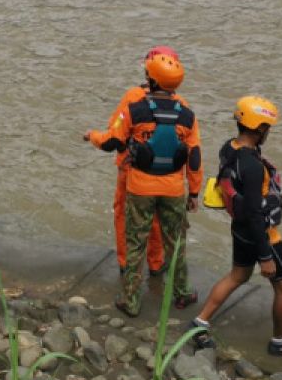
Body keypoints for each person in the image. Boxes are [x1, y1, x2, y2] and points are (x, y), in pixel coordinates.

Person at [191, 96, 282, 357]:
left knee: (238, 275)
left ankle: (200, 323)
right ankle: (281, 343)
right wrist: (266, 257)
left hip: (239, 229)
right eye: (267, 127)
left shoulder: (229, 148)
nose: (269, 132)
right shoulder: (252, 167)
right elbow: (256, 213)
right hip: (262, 235)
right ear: (259, 128)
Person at [84, 52, 202, 316]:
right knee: (177, 243)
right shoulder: (188, 115)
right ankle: (182, 293)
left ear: (151, 77)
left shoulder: (134, 107)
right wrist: (194, 191)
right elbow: (194, 157)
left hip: (139, 186)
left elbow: (112, 141)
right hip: (173, 189)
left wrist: (91, 136)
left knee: (135, 241)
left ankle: (131, 300)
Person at [112, 46, 179, 277]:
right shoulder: (181, 104)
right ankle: (156, 263)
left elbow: (115, 134)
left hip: (131, 170)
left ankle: (126, 264)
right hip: (167, 176)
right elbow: (192, 148)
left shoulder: (133, 97)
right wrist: (193, 192)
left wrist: (92, 136)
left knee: (125, 217)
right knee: (157, 221)